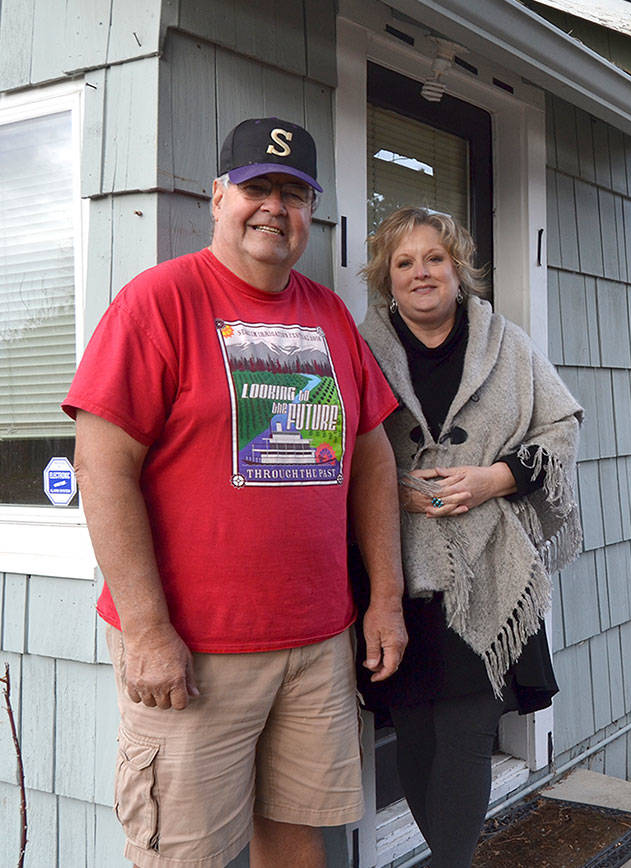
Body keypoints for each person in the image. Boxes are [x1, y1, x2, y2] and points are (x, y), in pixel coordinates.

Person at [65, 117, 408, 868]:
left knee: (295, 839)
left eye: (294, 194)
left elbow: (372, 456)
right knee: (181, 856)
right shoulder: (158, 303)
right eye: (257, 188)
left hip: (316, 643)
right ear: (217, 196)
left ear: (310, 214)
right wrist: (149, 631)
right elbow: (101, 466)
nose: (274, 209)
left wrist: (384, 597)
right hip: (194, 652)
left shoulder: (329, 318)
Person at [355, 207, 582, 866]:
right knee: (417, 736)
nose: (421, 272)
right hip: (393, 571)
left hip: (488, 567)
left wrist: (495, 478)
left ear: (458, 269)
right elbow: (332, 443)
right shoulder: (358, 346)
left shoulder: (505, 343)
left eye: (435, 258)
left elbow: (560, 428)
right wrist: (384, 488)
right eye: (405, 262)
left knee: (465, 731)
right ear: (387, 278)